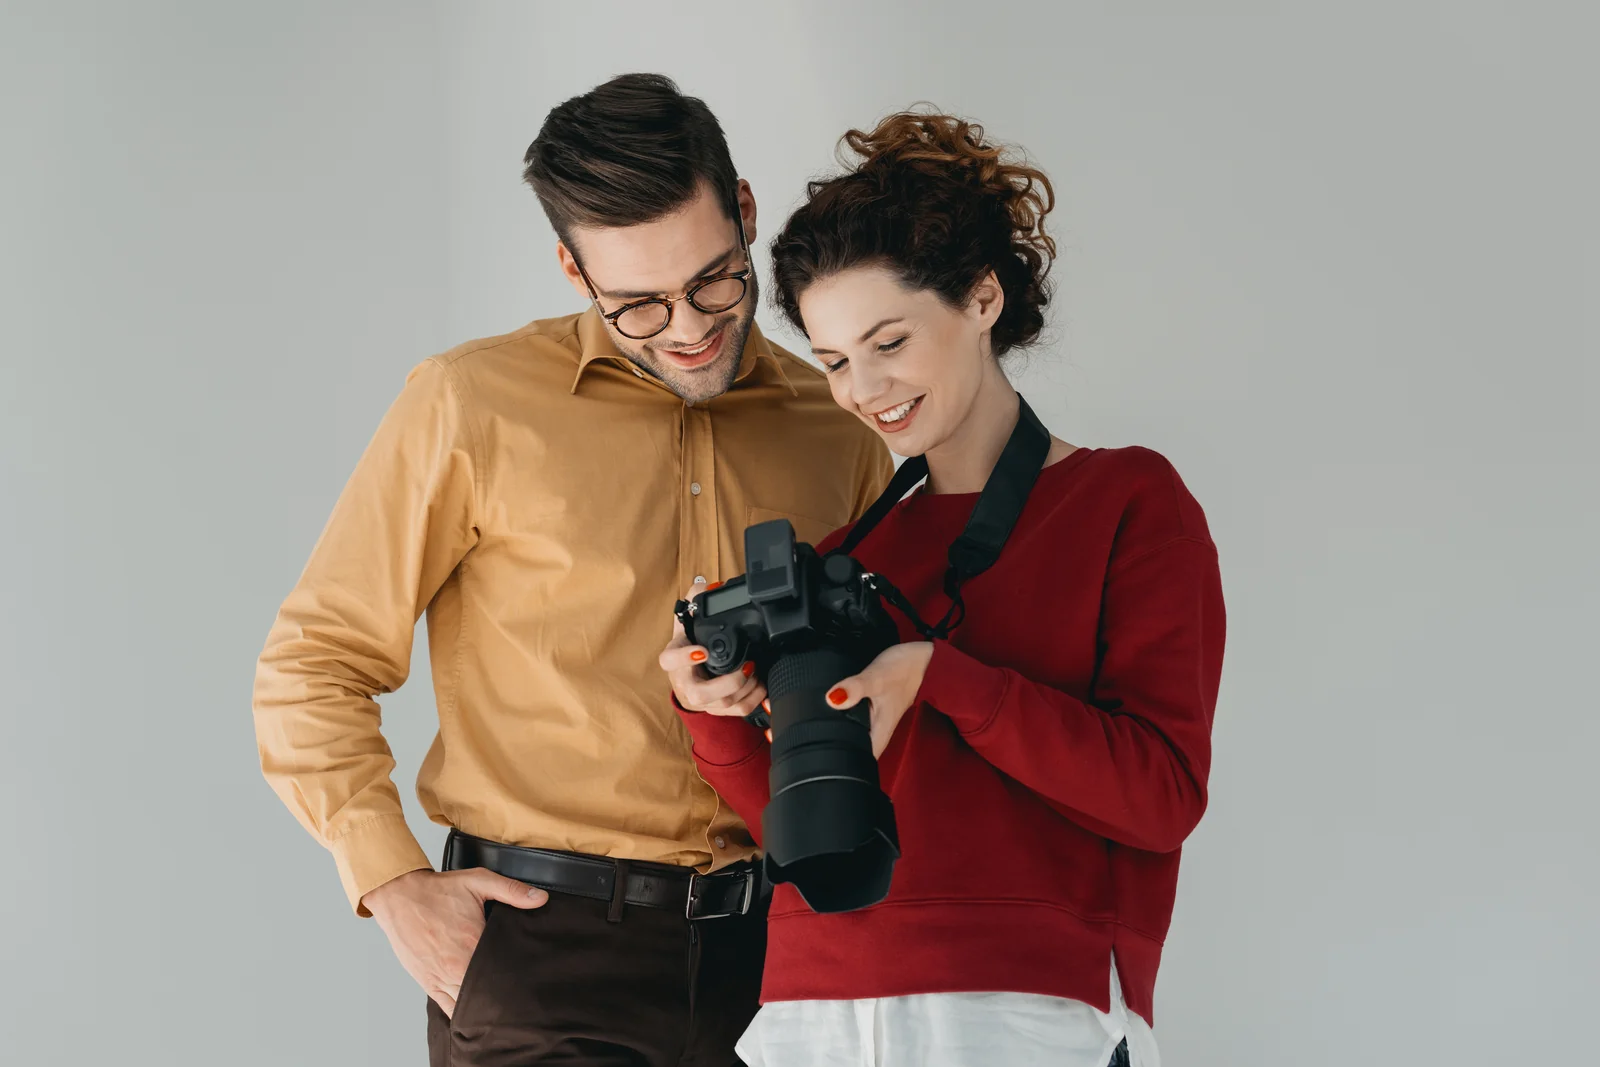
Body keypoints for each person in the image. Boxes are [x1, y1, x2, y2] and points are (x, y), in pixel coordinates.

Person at [253, 73, 891, 1066]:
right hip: (542, 953)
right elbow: (313, 665)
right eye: (637, 304)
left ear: (747, 212)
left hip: (781, 958)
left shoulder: (838, 428)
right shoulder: (470, 405)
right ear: (570, 269)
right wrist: (390, 884)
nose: (688, 326)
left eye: (716, 278)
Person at [662, 112, 1226, 1067]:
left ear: (980, 298)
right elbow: (806, 832)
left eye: (889, 341)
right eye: (835, 360)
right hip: (813, 1011)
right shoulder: (841, 557)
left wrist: (942, 676)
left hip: (1026, 1013)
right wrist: (710, 712)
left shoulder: (1128, 500)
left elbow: (1160, 795)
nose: (864, 388)